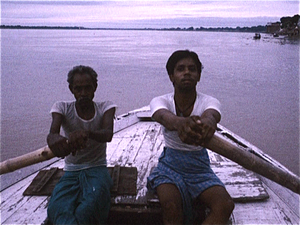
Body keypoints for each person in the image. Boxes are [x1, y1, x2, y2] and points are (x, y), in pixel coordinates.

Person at [147, 50, 234, 225]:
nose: (187, 72)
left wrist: (208, 122)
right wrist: (180, 124)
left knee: (225, 205)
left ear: (199, 76)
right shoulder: (161, 101)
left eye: (192, 69)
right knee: (171, 206)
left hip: (199, 168)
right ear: (172, 76)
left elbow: (212, 114)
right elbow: (163, 117)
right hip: (170, 165)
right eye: (180, 69)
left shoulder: (209, 101)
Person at [47, 65, 116, 225]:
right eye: (78, 89)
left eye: (87, 88)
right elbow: (52, 134)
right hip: (71, 172)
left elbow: (107, 134)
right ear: (71, 89)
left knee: (89, 207)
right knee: (58, 208)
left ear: (95, 88)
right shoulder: (62, 107)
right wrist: (55, 141)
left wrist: (87, 133)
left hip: (97, 169)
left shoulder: (106, 107)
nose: (83, 94)